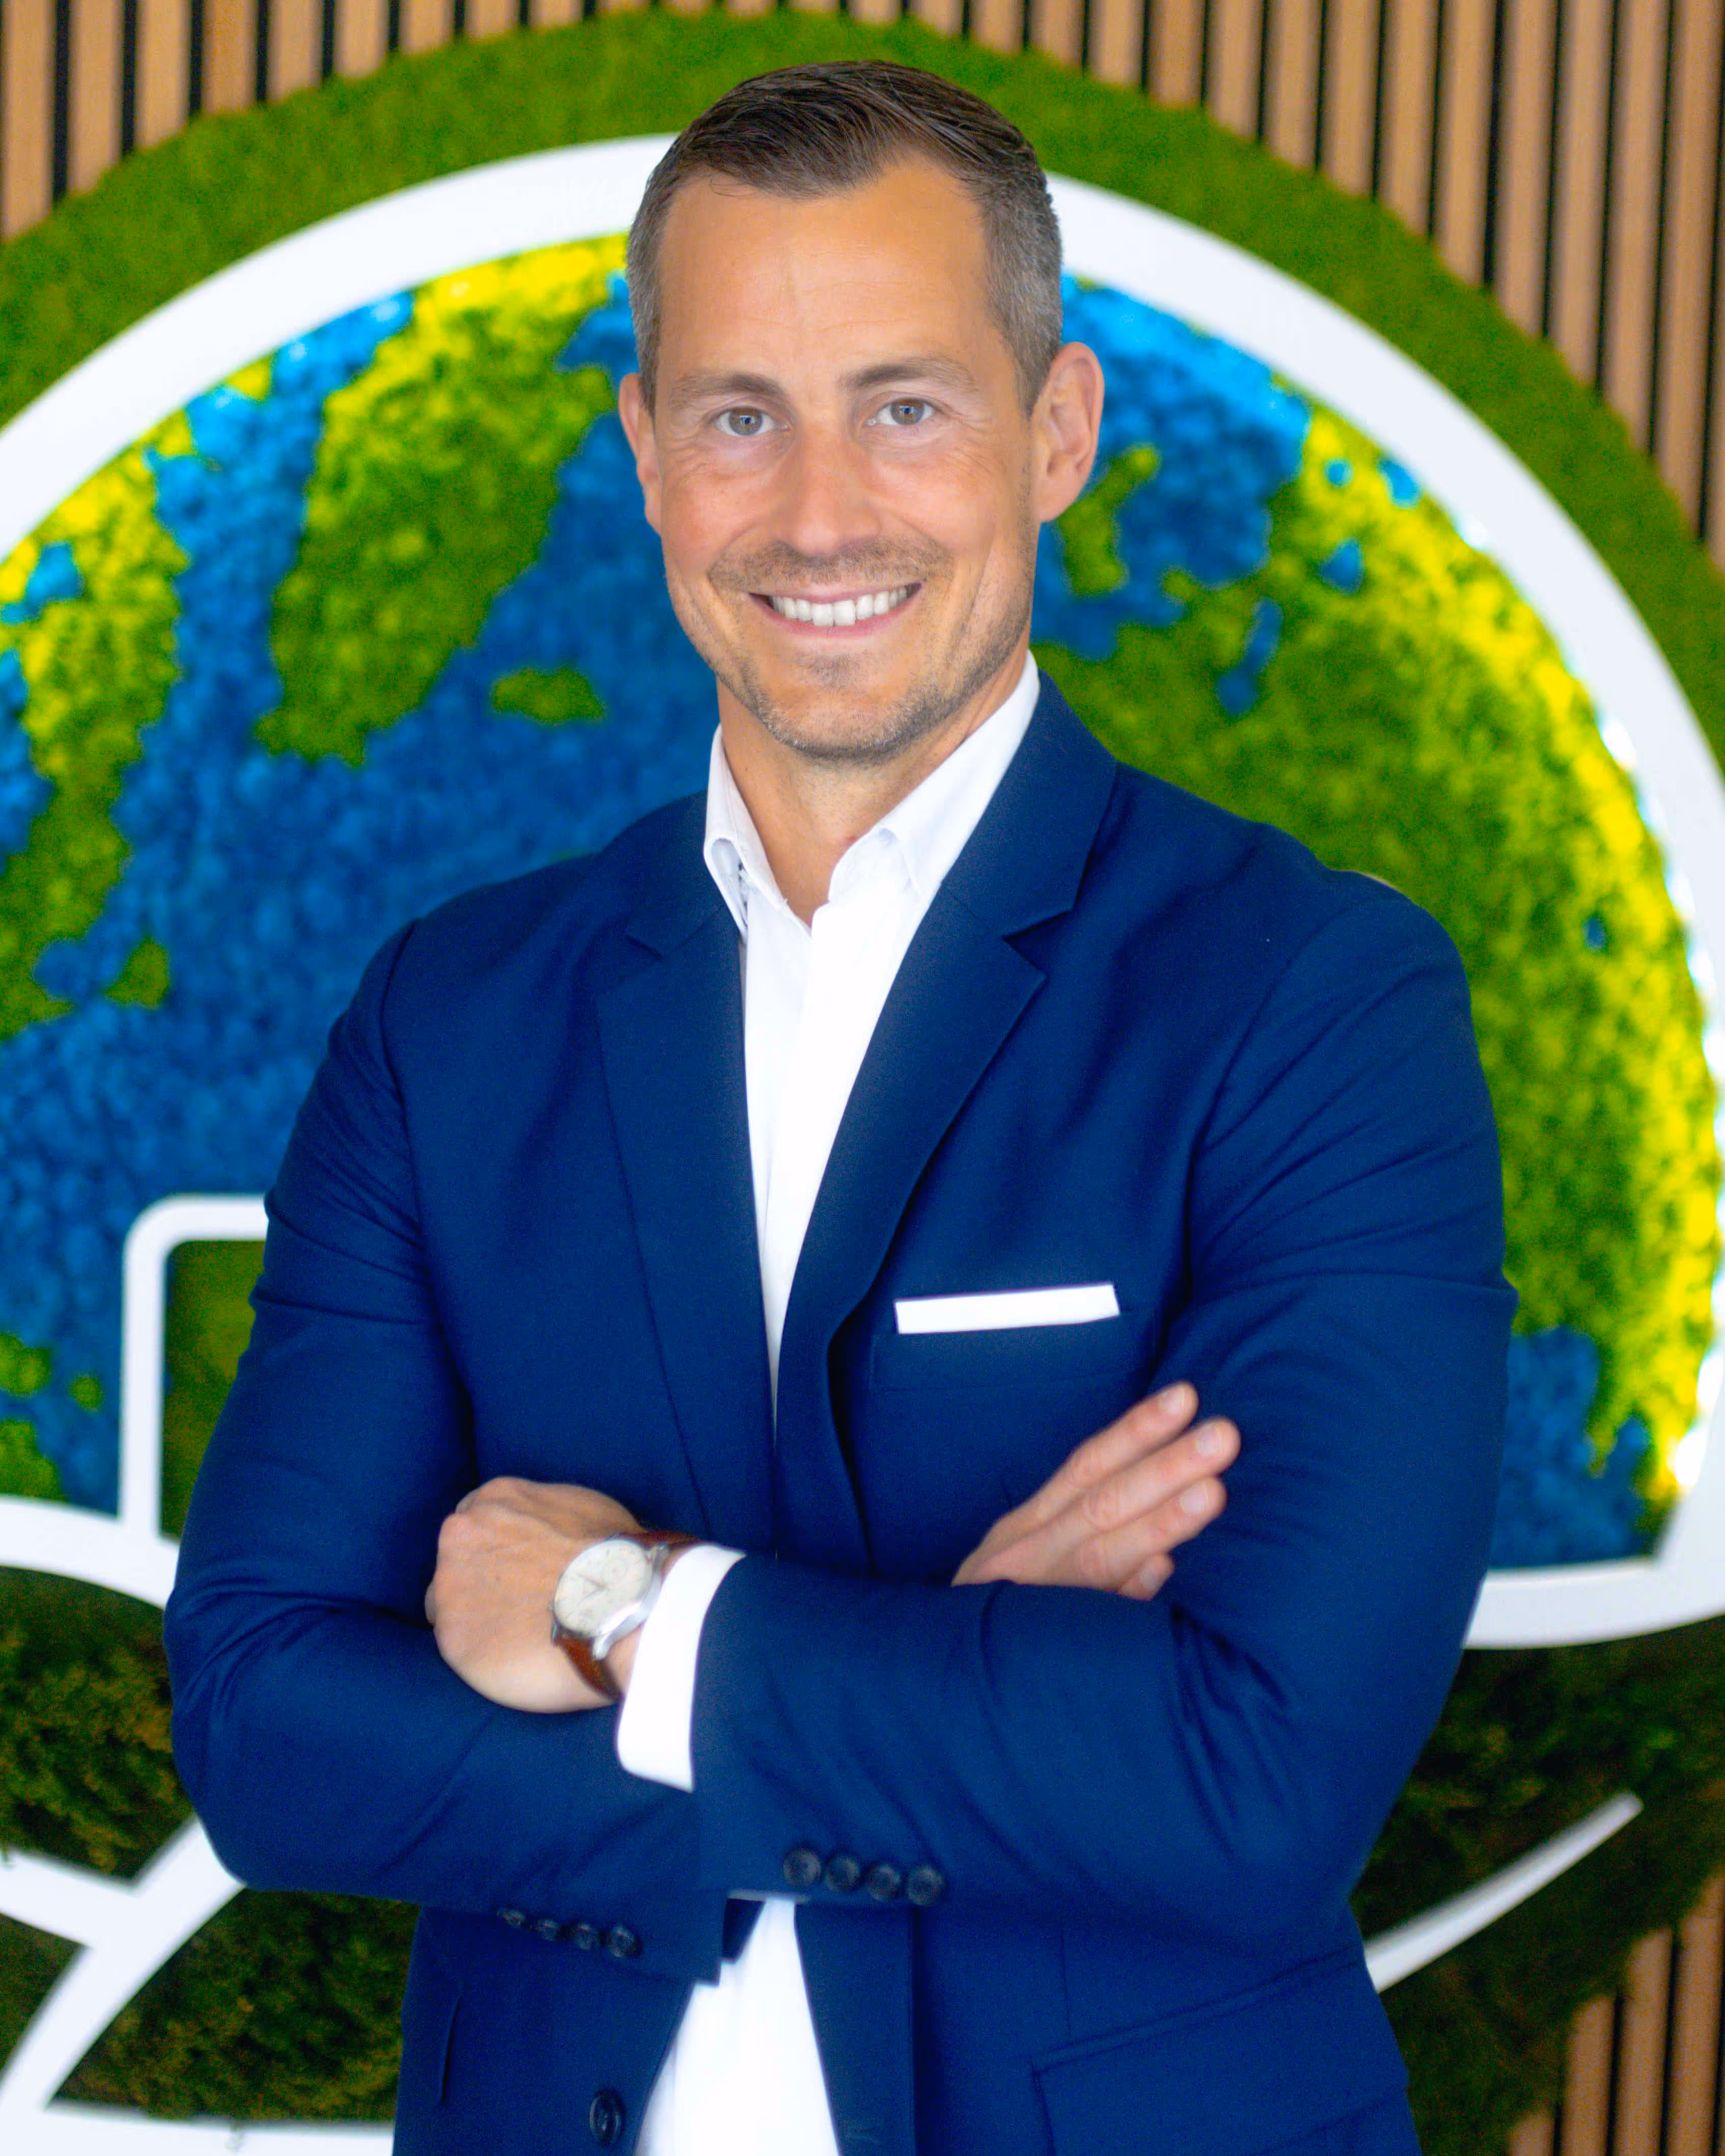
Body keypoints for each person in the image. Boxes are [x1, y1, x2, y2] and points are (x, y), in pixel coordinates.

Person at [164, 59, 1513, 2156]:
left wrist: (629, 1615)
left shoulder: (1303, 1000)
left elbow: (1249, 1780)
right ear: (642, 451)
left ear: (1051, 428)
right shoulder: (455, 1017)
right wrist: (967, 1671)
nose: (816, 513)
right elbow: (266, 1729)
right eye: (735, 415)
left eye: (903, 403)